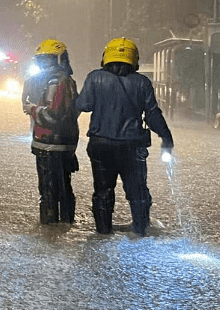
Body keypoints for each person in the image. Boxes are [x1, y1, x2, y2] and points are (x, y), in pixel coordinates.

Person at [75, 37, 174, 236]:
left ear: (106, 57)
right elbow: (153, 114)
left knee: (103, 192)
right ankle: (140, 231)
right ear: (134, 58)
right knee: (137, 192)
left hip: (100, 145)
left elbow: (83, 105)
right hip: (132, 147)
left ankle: (103, 233)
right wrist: (166, 138)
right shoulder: (142, 83)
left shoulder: (94, 78)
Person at [22, 39, 80, 224]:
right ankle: (65, 225)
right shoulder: (63, 81)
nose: (43, 64)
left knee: (49, 190)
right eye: (41, 61)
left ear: (59, 60)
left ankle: (51, 230)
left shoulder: (58, 82)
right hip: (63, 144)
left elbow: (52, 115)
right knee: (63, 187)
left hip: (49, 145)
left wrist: (32, 108)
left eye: (48, 60)